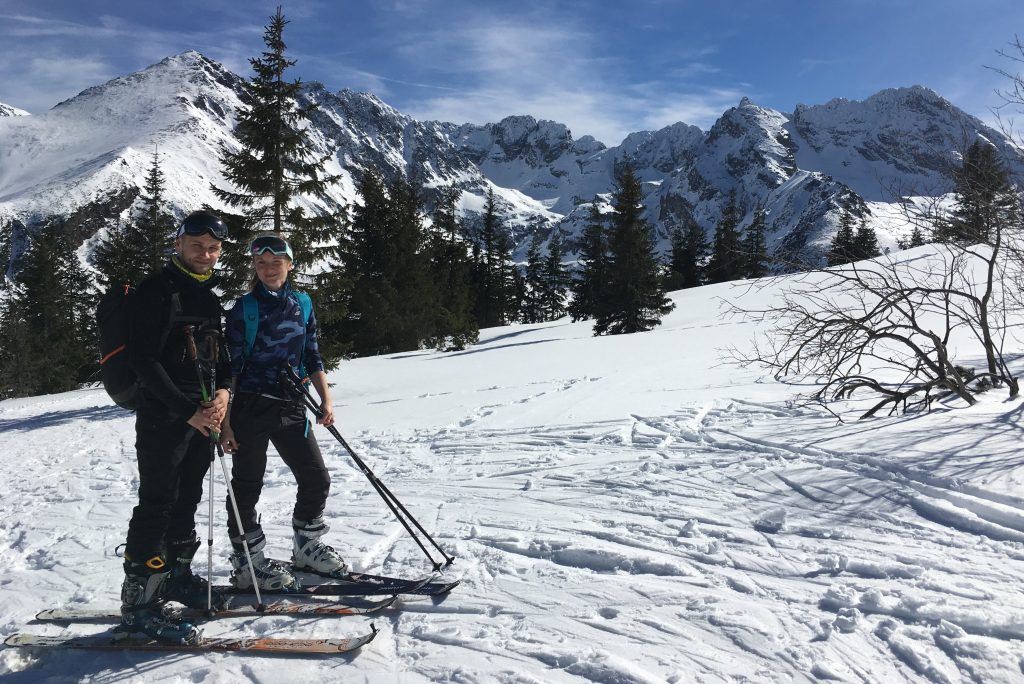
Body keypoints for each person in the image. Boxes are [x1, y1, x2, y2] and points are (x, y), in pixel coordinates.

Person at [121, 210, 232, 644]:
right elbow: (142, 361)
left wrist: (223, 394)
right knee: (157, 502)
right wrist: (187, 409)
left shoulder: (208, 296)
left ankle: (174, 577)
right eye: (197, 246)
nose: (205, 254)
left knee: (187, 497)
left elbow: (219, 357)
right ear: (178, 244)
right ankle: (139, 602)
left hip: (203, 416)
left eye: (213, 248)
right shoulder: (156, 290)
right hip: (164, 417)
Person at [220, 233, 345, 591]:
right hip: (250, 408)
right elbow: (231, 369)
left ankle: (306, 546)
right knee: (246, 486)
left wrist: (326, 400)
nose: (269, 268)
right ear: (254, 267)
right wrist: (226, 425)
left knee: (316, 478)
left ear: (290, 264)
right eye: (261, 263)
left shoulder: (303, 303)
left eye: (276, 262)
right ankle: (249, 564)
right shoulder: (244, 309)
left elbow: (312, 355)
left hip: (292, 406)